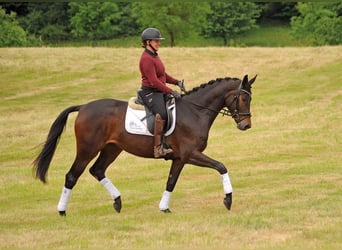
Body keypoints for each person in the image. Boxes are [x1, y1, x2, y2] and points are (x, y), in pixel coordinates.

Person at [138, 27, 185, 158]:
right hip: (150, 92)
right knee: (162, 113)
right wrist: (171, 91)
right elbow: (153, 81)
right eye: (156, 41)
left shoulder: (154, 56)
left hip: (159, 91)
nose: (159, 43)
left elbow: (162, 75)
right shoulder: (146, 58)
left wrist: (176, 82)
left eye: (159, 41)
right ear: (148, 42)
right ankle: (158, 148)